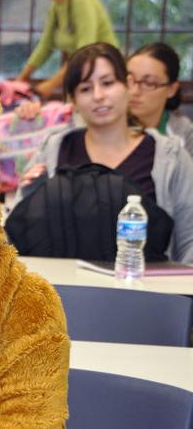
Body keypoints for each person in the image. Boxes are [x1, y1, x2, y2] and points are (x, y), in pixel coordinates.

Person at [14, 42, 193, 264]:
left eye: (107, 83)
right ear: (74, 100)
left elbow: (189, 243)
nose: (98, 96)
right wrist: (33, 192)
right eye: (85, 89)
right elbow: (18, 235)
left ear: (127, 85)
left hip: (145, 294)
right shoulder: (54, 148)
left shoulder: (170, 157)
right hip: (61, 294)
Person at [17, 0, 118, 99]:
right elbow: (45, 46)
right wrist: (20, 79)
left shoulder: (83, 0)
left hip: (104, 75)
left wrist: (50, 85)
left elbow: (84, 52)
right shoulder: (56, 6)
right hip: (80, 73)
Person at [127, 42, 193, 157]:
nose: (134, 91)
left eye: (149, 83)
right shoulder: (110, 124)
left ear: (172, 89)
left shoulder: (184, 132)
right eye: (129, 80)